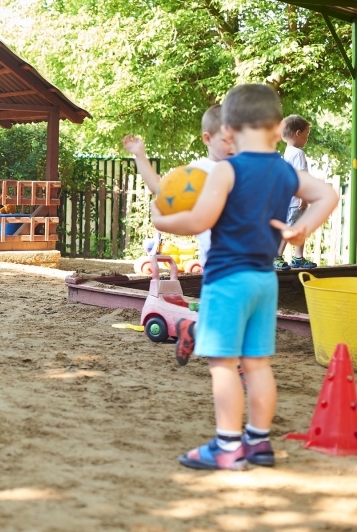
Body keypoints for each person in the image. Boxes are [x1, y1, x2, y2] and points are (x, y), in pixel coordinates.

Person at [152, 84, 337, 470]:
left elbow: (199, 221)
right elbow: (327, 195)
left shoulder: (227, 170)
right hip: (264, 280)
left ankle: (227, 446)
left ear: (229, 130)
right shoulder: (284, 170)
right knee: (257, 364)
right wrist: (301, 228)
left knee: (223, 364)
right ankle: (258, 441)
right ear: (278, 129)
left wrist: (162, 220)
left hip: (227, 281)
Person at [123, 104, 234, 267]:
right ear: (208, 139)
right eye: (227, 140)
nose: (233, 146)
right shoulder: (198, 171)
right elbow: (160, 189)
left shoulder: (244, 167)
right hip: (217, 263)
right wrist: (140, 155)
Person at [275, 115, 316, 270]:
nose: (307, 139)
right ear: (298, 133)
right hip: (296, 201)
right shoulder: (298, 154)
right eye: (306, 135)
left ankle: (298, 257)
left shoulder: (287, 153)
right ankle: (276, 256)